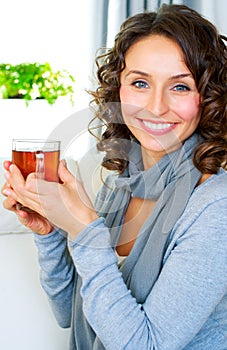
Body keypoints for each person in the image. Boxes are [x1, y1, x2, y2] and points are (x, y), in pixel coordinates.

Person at [1, 4, 227, 349]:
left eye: (180, 87)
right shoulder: (121, 184)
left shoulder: (215, 206)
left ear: (207, 97)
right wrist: (50, 232)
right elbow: (70, 313)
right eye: (140, 82)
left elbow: (145, 345)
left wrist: (84, 230)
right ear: (117, 89)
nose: (155, 106)